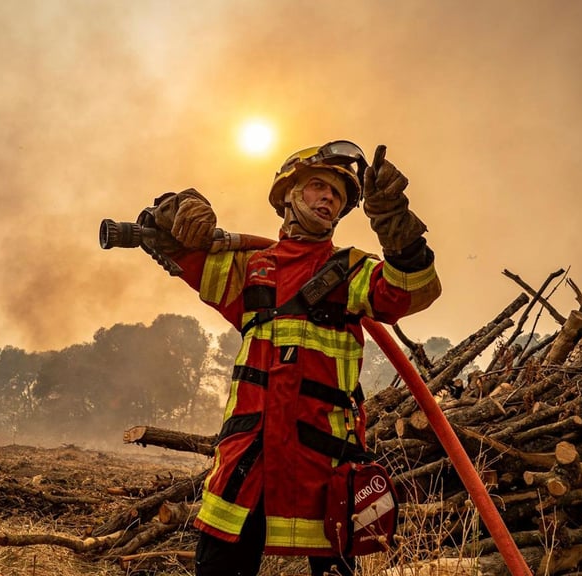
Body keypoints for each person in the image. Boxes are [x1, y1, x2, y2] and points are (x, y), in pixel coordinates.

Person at [146, 140, 442, 576]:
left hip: (322, 467)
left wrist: (393, 219)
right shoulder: (249, 268)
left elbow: (412, 289)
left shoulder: (352, 270)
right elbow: (170, 243)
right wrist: (177, 209)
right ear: (287, 194)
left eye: (338, 196)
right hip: (246, 463)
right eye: (318, 186)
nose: (328, 199)